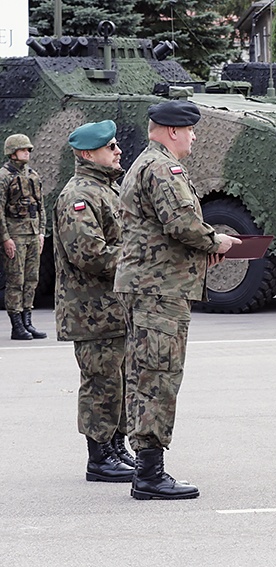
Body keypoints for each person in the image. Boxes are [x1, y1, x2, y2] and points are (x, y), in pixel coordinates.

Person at [114, 100, 240, 500]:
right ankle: (150, 474)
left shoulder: (146, 164)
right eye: (190, 129)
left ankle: (145, 466)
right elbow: (181, 223)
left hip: (148, 285)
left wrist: (204, 248)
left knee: (143, 373)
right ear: (172, 131)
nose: (194, 136)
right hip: (159, 289)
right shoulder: (163, 168)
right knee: (158, 376)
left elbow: (167, 229)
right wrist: (214, 239)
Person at [54, 120, 135, 483]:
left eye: (116, 145)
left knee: (117, 381)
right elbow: (89, 254)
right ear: (88, 154)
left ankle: (116, 447)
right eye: (110, 146)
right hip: (91, 311)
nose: (118, 151)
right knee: (100, 383)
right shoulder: (79, 196)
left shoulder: (106, 190)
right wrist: (141, 261)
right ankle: (99, 457)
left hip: (112, 307)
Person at [0, 134, 47, 340]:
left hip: (32, 233)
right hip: (15, 234)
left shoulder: (32, 175)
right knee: (15, 280)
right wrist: (5, 238)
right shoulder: (4, 177)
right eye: (24, 149)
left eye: (28, 149)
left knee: (31, 279)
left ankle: (28, 321)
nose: (28, 152)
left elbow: (41, 206)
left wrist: (42, 232)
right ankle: (16, 325)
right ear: (12, 153)